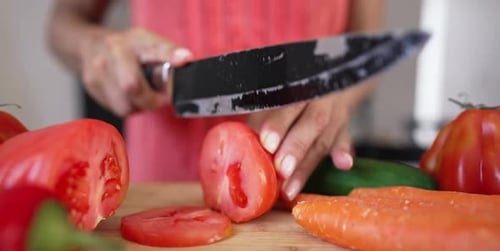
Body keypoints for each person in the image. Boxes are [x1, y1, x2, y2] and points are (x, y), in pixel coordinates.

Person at [47, 0, 383, 201]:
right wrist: (94, 47)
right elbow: (64, 21)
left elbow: (367, 48)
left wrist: (336, 92)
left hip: (305, 177)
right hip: (156, 193)